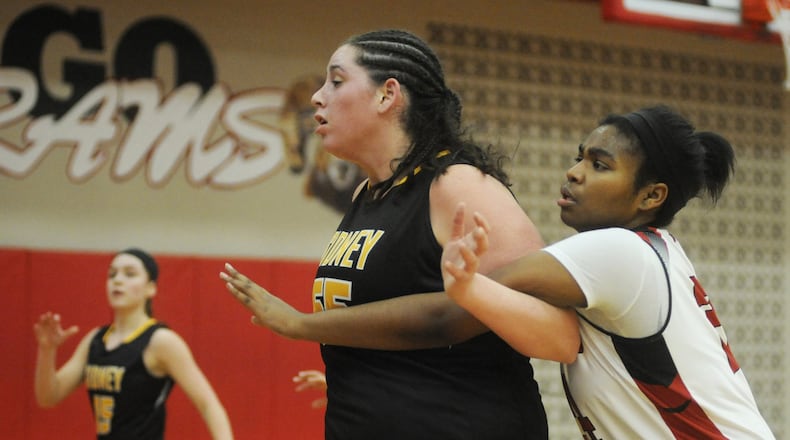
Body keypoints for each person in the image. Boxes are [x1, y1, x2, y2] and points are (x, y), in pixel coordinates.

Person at [220, 29, 578, 440]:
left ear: (387, 96)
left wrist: (299, 324)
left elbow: (560, 336)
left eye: (336, 81)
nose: (318, 96)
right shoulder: (366, 194)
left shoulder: (458, 185)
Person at [440, 105, 775, 439]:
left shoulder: (617, 252)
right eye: (579, 157)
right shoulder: (656, 251)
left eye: (599, 165)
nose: (574, 172)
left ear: (651, 196)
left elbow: (448, 315)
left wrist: (463, 285)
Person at [34, 248, 234, 440]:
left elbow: (209, 405)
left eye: (129, 274)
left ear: (150, 288)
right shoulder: (95, 340)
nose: (118, 280)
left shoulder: (161, 341)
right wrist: (47, 350)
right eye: (112, 274)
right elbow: (48, 397)